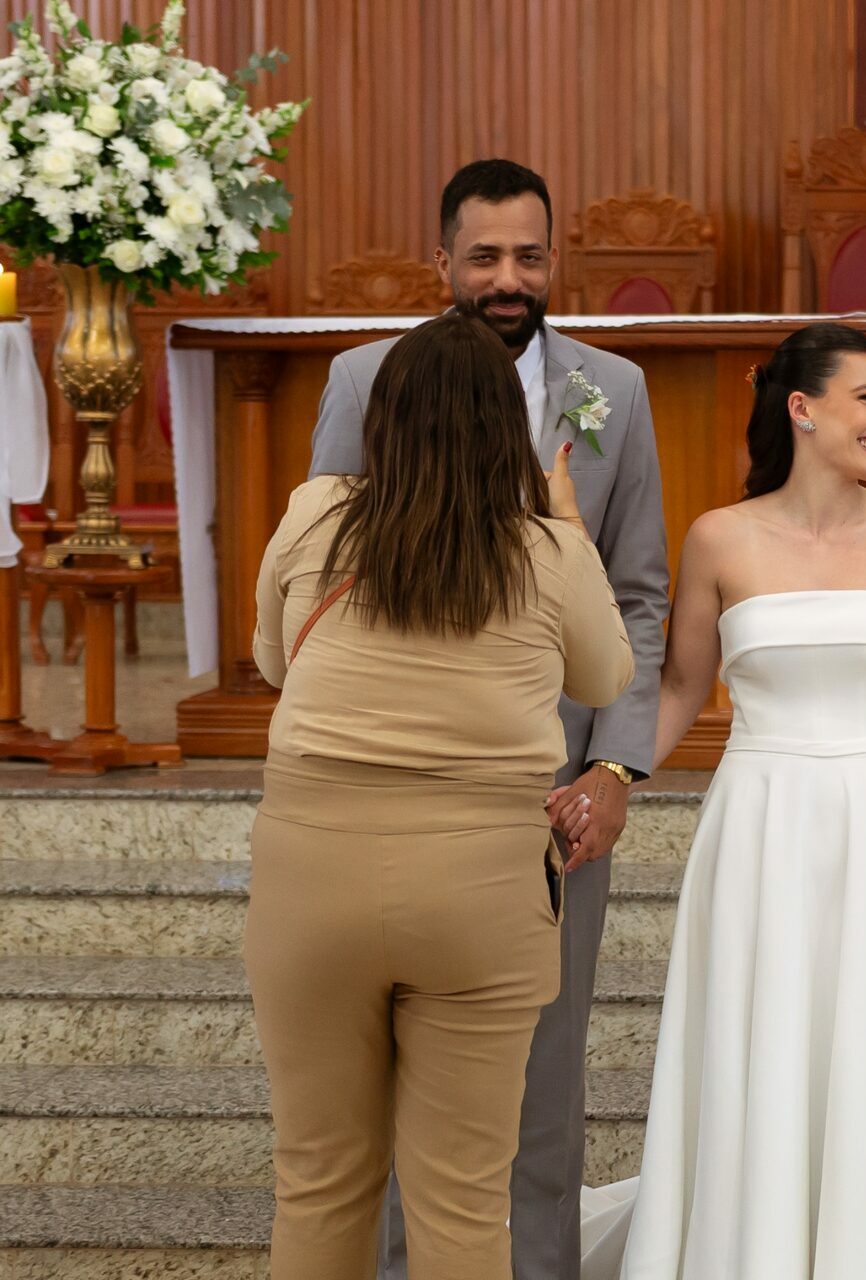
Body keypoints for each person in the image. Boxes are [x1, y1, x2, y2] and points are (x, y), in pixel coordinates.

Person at [578, 322, 866, 1280]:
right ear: (802, 408)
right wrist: (607, 775)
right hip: (760, 832)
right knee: (763, 1055)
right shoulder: (719, 538)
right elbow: (681, 688)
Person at [308, 158, 670, 1280]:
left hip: (556, 798)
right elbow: (322, 577)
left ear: (554, 260)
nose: (508, 279)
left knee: (546, 1082)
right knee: (399, 1084)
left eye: (529, 256)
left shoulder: (614, 388)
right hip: (400, 798)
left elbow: (640, 593)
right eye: (484, 257)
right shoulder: (365, 380)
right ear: (442, 262)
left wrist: (616, 767)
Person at [246, 312, 635, 1280]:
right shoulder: (544, 549)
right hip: (481, 884)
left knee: (319, 1179)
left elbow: (272, 661)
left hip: (314, 869)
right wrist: (568, 527)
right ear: (509, 427)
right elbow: (607, 676)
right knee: (463, 1198)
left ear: (382, 419)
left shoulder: (315, 512)